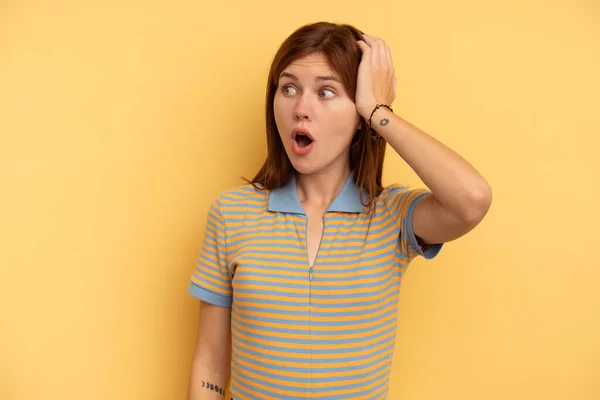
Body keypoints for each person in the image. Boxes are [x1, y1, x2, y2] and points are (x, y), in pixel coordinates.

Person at [187, 21, 492, 400]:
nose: (301, 108)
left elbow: (472, 201)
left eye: (326, 92)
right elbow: (210, 366)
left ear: (359, 116)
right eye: (289, 88)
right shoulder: (231, 213)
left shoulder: (393, 216)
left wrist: (380, 112)